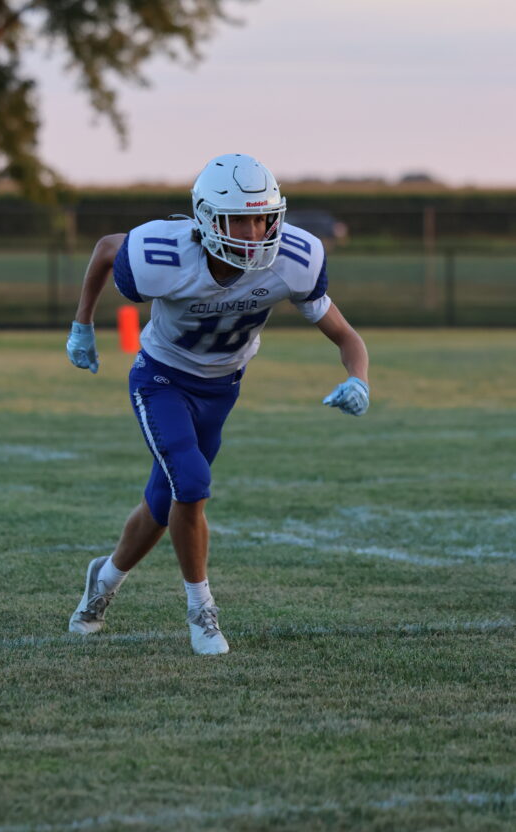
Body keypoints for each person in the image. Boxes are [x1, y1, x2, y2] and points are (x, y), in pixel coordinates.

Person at [66, 153, 369, 655]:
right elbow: (104, 249)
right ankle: (201, 611)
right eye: (238, 221)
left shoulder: (293, 258)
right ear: (207, 219)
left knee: (162, 503)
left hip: (223, 388)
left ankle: (104, 581)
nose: (253, 233)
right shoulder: (164, 252)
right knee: (190, 483)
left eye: (261, 219)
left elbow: (346, 336)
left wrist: (359, 379)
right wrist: (82, 325)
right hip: (161, 379)